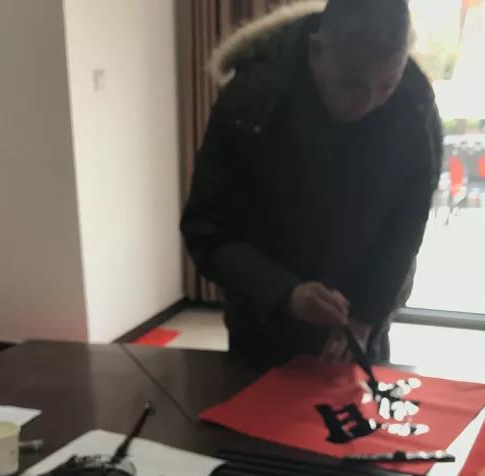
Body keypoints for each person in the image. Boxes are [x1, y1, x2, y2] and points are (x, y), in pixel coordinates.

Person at [181, 0, 442, 369]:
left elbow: (405, 227)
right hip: (264, 324)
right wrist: (285, 292)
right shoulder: (254, 102)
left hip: (360, 326)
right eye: (352, 85)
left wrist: (366, 315)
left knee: (361, 406)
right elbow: (207, 229)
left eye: (385, 85)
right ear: (317, 52)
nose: (369, 103)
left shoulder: (413, 106)